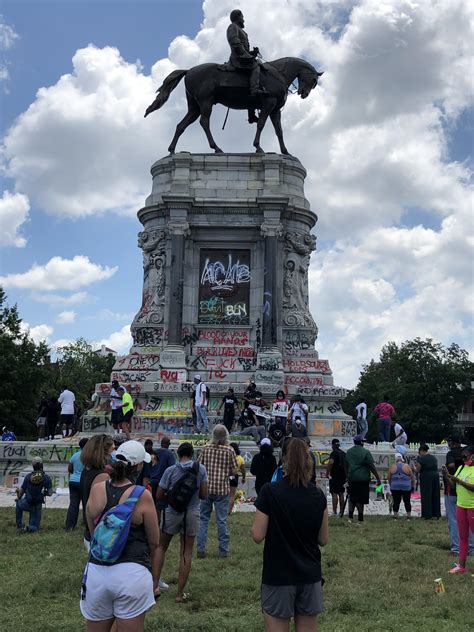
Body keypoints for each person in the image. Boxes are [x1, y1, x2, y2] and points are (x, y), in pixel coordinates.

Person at [80, 440, 159, 630]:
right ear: (139, 466)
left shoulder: (97, 488)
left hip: (97, 572)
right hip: (132, 573)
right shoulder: (142, 496)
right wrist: (154, 580)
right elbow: (155, 543)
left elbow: (93, 532)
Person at [252, 438, 328, 631]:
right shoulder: (318, 495)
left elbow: (257, 535)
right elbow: (323, 539)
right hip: (310, 574)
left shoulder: (269, 491)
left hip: (278, 574)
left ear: (283, 460)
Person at [156, 442, 208, 602]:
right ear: (192, 454)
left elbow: (159, 494)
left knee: (161, 547)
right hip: (191, 513)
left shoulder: (170, 470)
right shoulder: (201, 469)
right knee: (186, 551)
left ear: (178, 454)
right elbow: (204, 495)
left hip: (171, 512)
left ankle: (154, 587)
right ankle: (179, 594)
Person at [197, 425, 237, 558]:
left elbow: (199, 466)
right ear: (226, 435)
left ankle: (201, 549)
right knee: (221, 520)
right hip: (221, 489)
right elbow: (233, 471)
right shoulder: (229, 450)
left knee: (203, 519)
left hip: (206, 488)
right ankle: (223, 551)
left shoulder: (206, 448)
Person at [80, 434, 114, 551]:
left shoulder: (87, 470)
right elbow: (97, 509)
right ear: (104, 452)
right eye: (112, 450)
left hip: (90, 532)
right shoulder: (102, 476)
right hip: (99, 533)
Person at [443, 445, 474, 574]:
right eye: (462, 457)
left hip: (472, 507)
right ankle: (461, 566)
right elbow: (454, 486)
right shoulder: (461, 468)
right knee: (463, 537)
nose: (463, 459)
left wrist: (459, 481)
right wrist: (447, 476)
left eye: (465, 456)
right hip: (461, 505)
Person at [345, 434, 381, 523]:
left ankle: (350, 517)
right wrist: (378, 478)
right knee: (360, 499)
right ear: (361, 442)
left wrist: (347, 477)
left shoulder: (348, 452)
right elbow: (371, 466)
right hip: (362, 478)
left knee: (352, 498)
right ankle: (360, 518)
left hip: (352, 478)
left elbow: (345, 466)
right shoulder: (365, 452)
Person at [15, 456, 53, 532]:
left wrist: (18, 497)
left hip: (27, 502)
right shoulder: (46, 478)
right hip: (37, 505)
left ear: (33, 466)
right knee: (35, 526)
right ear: (42, 465)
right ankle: (28, 528)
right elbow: (50, 493)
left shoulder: (28, 477)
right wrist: (44, 493)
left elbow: (21, 492)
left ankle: (19, 524)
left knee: (18, 504)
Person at [65, 437, 88, 531]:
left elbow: (70, 468)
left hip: (73, 481)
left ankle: (70, 526)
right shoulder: (89, 456)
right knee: (86, 503)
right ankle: (86, 524)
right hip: (84, 482)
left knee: (73, 504)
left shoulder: (75, 455)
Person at [415, 444, 441, 519]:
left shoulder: (422, 459)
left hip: (426, 477)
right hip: (435, 476)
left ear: (421, 451)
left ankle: (427, 514)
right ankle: (436, 513)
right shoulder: (434, 458)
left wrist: (414, 468)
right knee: (435, 495)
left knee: (426, 495)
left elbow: (418, 470)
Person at [388, 452, 415, 520]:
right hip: (406, 486)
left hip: (395, 486)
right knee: (407, 501)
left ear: (395, 459)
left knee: (396, 501)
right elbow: (412, 477)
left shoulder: (392, 466)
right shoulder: (407, 466)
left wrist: (391, 485)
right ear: (402, 459)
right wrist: (413, 486)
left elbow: (389, 477)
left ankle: (395, 516)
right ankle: (408, 516)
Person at [326, 438, 347, 517]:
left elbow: (330, 463)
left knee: (334, 493)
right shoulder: (343, 453)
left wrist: (327, 473)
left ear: (332, 445)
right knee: (341, 493)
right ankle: (341, 511)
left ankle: (334, 512)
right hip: (343, 476)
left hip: (334, 476)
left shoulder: (333, 453)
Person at [228, 442, 246, 514]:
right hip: (234, 477)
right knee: (232, 496)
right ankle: (229, 511)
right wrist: (244, 477)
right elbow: (243, 470)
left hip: (226, 476)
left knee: (224, 496)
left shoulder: (227, 457)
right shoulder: (240, 458)